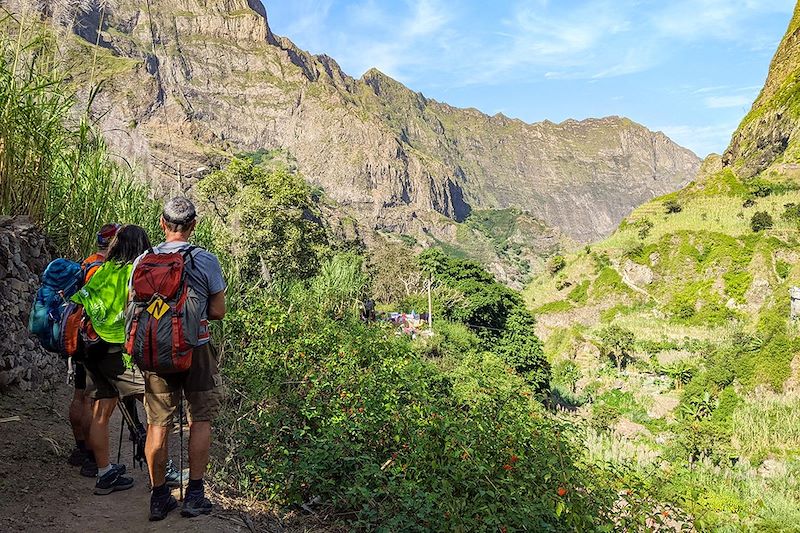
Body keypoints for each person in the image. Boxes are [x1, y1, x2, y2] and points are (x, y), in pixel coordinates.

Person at [141, 197, 226, 521]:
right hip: (196, 349)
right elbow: (218, 311)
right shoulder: (205, 260)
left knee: (157, 424)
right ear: (193, 226)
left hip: (155, 353)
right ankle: (194, 495)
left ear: (162, 224)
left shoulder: (143, 261)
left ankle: (159, 496)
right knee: (199, 420)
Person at [72, 225, 151, 495]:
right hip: (114, 351)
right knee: (154, 400)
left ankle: (104, 472)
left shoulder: (101, 269)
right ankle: (163, 470)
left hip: (90, 347)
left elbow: (82, 301)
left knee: (102, 410)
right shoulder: (134, 273)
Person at [67, 223, 119, 477]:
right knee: (91, 398)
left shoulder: (84, 264)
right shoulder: (105, 270)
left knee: (79, 395)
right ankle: (91, 457)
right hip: (95, 341)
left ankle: (79, 448)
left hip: (78, 336)